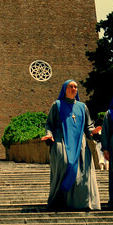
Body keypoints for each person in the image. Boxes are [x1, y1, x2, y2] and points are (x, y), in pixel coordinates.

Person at [41, 79, 101, 211]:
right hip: (61, 141)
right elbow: (49, 124)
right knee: (65, 165)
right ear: (64, 89)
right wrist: (49, 135)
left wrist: (94, 132)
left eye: (76, 87)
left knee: (83, 171)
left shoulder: (82, 107)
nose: (74, 89)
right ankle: (61, 202)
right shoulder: (57, 105)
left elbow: (89, 127)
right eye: (70, 87)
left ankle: (81, 202)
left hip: (80, 143)